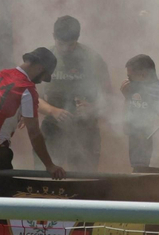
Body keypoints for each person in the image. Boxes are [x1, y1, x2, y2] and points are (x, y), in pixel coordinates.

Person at [0, 48, 66, 177]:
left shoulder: (0, 74)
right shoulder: (27, 89)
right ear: (39, 68)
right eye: (44, 76)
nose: (41, 81)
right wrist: (50, 165)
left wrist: (20, 115)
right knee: (7, 188)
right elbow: (34, 133)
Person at [40, 16, 111, 172]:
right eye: (61, 44)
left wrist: (93, 107)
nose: (65, 49)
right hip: (53, 127)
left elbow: (108, 96)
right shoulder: (45, 59)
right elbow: (33, 98)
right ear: (53, 36)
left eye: (70, 44)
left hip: (85, 127)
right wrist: (53, 110)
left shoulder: (92, 59)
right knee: (45, 175)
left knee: (84, 177)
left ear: (77, 39)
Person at [123, 55, 159, 173]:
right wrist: (127, 98)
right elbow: (127, 127)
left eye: (130, 77)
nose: (128, 81)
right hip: (140, 160)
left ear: (143, 74)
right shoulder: (133, 92)